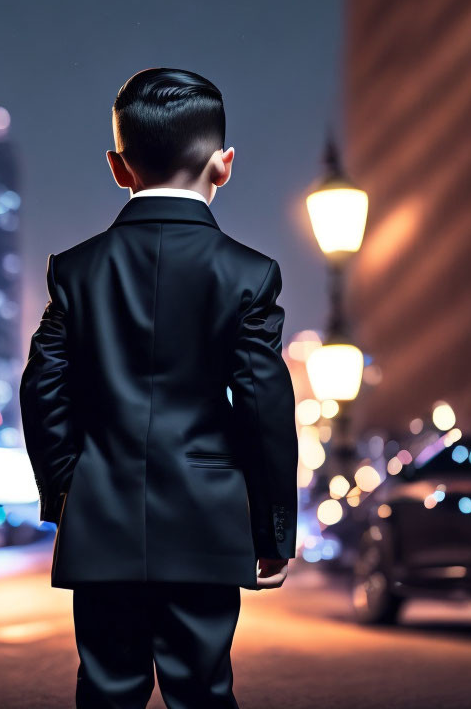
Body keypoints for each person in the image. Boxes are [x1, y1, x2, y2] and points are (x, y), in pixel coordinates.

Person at [20, 68, 298, 709]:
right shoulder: (249, 276)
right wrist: (272, 530)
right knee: (202, 694)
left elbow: (42, 391)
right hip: (205, 521)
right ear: (224, 165)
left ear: (118, 168)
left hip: (102, 522)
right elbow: (263, 407)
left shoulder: (75, 271)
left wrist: (71, 490)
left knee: (107, 691)